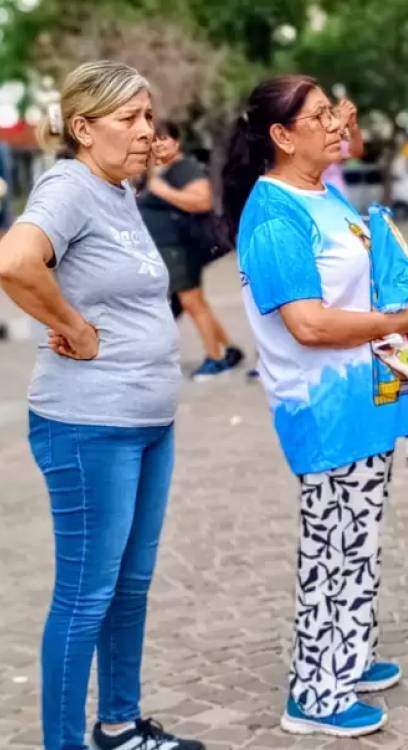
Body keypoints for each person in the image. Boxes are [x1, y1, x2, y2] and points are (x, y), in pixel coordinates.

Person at [221, 75, 408, 738]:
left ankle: (351, 653)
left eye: (333, 114)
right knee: (332, 545)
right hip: (323, 410)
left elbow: (354, 160)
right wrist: (391, 319)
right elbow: (308, 325)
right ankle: (315, 693)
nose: (335, 125)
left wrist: (400, 312)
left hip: (363, 398)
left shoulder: (324, 194)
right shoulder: (273, 212)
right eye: (319, 117)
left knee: (360, 539)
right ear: (282, 136)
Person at [0, 61, 203, 750]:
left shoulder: (114, 191)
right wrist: (73, 325)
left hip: (147, 423)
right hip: (90, 428)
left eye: (149, 117)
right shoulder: (70, 185)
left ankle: (119, 724)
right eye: (130, 119)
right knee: (86, 596)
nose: (147, 131)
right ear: (83, 128)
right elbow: (15, 260)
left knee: (129, 587)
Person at [138, 119, 244, 381]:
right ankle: (228, 349)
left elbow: (202, 200)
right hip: (168, 249)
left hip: (180, 248)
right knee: (196, 302)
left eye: (165, 138)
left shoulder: (185, 168)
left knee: (192, 303)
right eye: (155, 139)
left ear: (177, 141)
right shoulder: (160, 171)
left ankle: (216, 359)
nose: (159, 144)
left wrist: (163, 192)